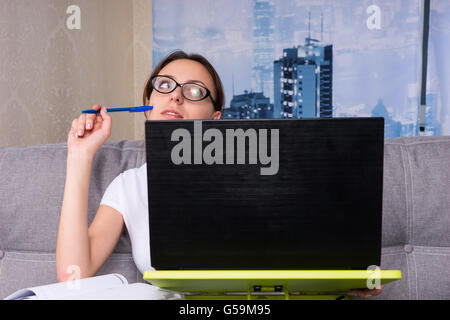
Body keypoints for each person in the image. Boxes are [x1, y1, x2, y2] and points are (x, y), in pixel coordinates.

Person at [56, 50, 382, 299]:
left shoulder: (260, 168)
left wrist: (344, 276)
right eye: (165, 85)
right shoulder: (130, 186)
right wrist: (80, 155)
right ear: (148, 101)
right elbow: (73, 276)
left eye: (195, 91)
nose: (176, 96)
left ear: (214, 117)